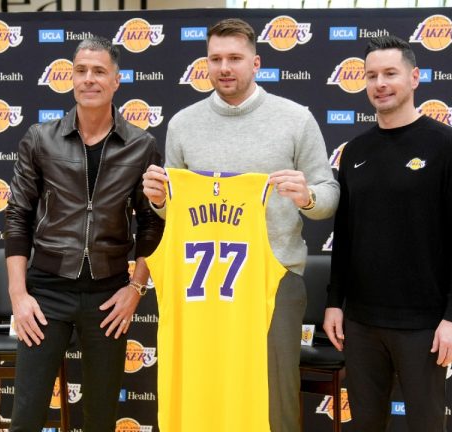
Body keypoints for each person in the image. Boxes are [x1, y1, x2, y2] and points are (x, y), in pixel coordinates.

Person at [142, 18, 339, 432]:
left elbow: (328, 196)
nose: (224, 67)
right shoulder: (183, 124)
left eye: (234, 58)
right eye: (215, 59)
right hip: (201, 286)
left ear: (256, 62)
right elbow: (174, 213)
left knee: (272, 398)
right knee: (206, 392)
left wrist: (307, 196)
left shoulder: (295, 119)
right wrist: (159, 201)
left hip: (275, 278)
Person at [4, 36, 163, 431]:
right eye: (81, 70)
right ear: (71, 78)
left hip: (109, 295)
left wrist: (136, 290)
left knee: (100, 417)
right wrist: (19, 296)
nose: (89, 78)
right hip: (46, 291)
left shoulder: (141, 145)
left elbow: (152, 224)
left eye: (99, 71)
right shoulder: (40, 138)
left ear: (116, 80)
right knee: (27, 414)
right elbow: (18, 217)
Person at [323, 35, 452, 432]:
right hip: (361, 322)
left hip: (424, 324)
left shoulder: (449, 146)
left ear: (414, 77)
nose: (380, 83)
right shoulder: (355, 151)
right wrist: (334, 302)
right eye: (371, 75)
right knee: (365, 425)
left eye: (390, 73)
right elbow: (344, 234)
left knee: (426, 425)